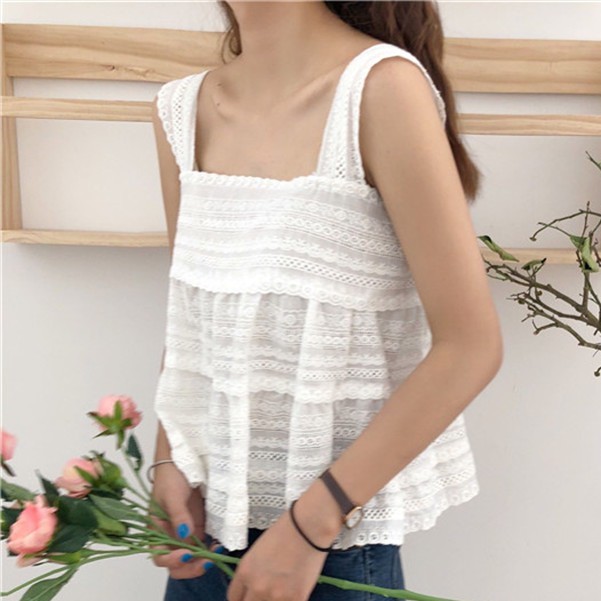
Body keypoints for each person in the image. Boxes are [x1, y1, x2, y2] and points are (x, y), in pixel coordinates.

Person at [149, 2, 503, 600]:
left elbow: (471, 346)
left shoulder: (380, 89)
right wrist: (167, 463)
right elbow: (191, 324)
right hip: (204, 535)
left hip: (331, 554)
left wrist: (310, 526)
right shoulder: (179, 111)